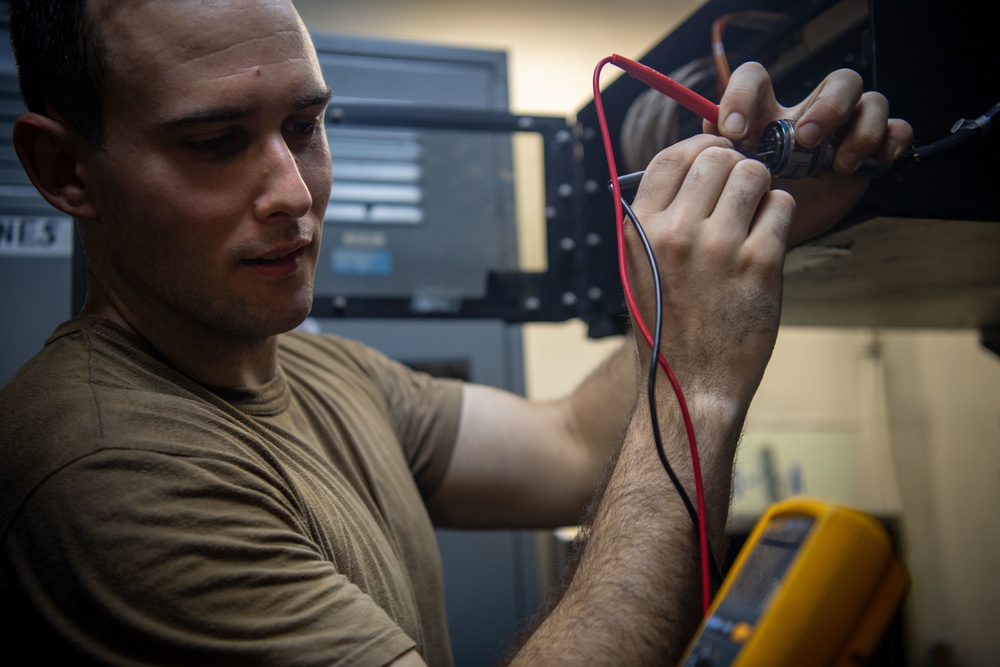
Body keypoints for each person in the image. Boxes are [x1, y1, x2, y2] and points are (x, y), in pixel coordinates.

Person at [0, 0, 913, 665]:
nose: (294, 192)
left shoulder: (318, 374)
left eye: (306, 126)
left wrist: (742, 233)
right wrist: (701, 384)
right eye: (214, 143)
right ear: (63, 167)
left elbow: (569, 444)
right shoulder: (107, 467)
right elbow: (667, 402)